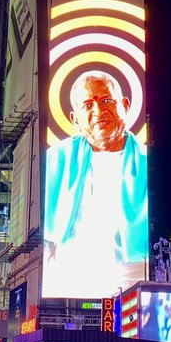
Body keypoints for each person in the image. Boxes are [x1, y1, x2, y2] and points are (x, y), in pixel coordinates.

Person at [42, 71, 149, 298]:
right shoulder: (54, 160)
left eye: (107, 100)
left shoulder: (148, 162)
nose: (99, 112)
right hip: (67, 283)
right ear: (75, 119)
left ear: (125, 105)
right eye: (88, 105)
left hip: (132, 282)